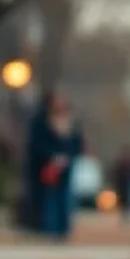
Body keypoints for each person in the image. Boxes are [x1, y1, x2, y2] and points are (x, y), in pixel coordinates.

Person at [27, 90, 83, 238]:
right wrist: (51, 157)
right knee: (48, 198)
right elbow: (36, 144)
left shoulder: (71, 123)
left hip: (66, 166)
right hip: (45, 166)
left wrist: (68, 158)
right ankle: (48, 228)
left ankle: (63, 229)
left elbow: (77, 144)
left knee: (65, 197)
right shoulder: (41, 121)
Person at [112, 146, 130, 223]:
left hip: (129, 187)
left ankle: (127, 217)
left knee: (128, 203)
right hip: (122, 187)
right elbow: (116, 175)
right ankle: (125, 217)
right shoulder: (122, 164)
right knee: (123, 203)